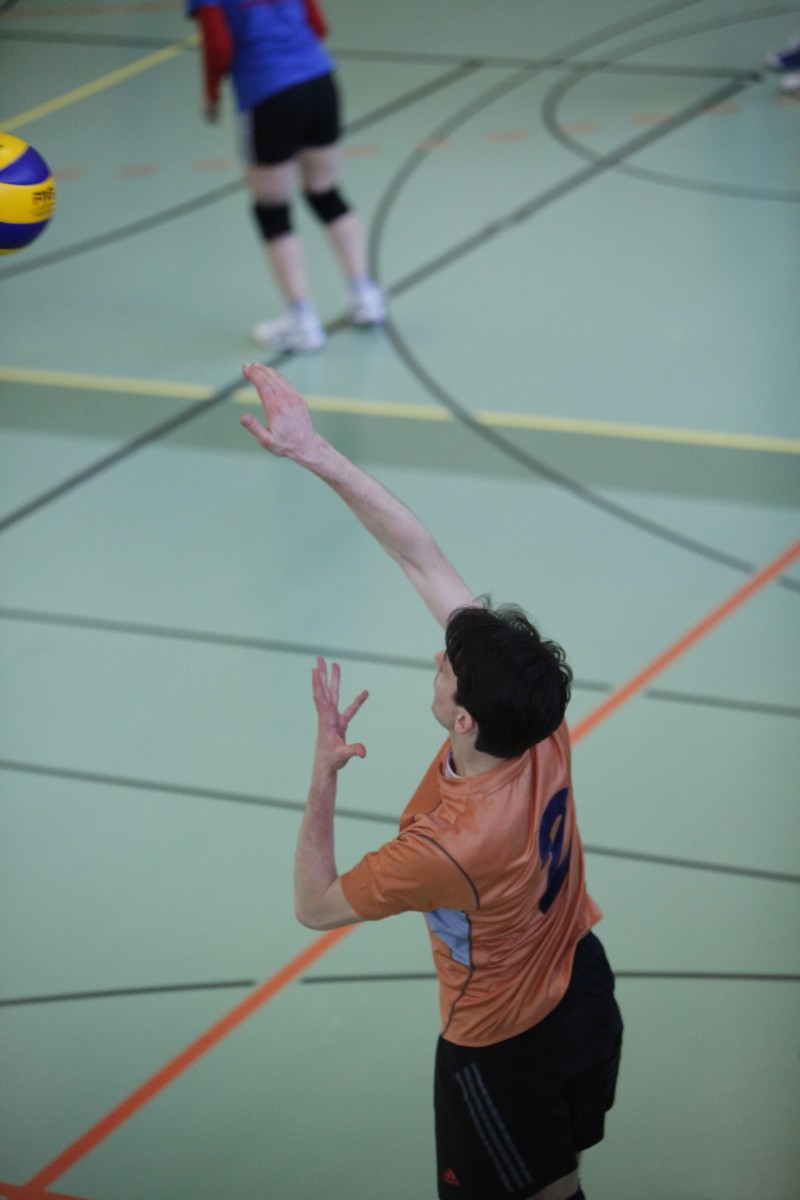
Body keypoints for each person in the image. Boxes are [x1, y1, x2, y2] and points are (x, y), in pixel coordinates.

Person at [240, 362, 623, 1200]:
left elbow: (315, 905)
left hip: (502, 1047)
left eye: (449, 667)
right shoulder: (538, 714)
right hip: (583, 986)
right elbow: (417, 555)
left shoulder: (452, 845)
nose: (439, 656)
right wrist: (313, 451)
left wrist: (323, 774)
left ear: (464, 720)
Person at [188, 0, 386, 352]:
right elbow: (318, 24)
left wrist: (210, 93)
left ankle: (301, 320)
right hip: (319, 81)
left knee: (272, 209)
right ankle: (365, 295)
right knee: (325, 192)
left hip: (268, 93)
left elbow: (218, 45)